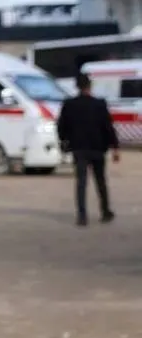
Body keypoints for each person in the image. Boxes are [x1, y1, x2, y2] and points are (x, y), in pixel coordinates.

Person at [56, 72, 118, 226]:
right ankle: (105, 212)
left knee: (81, 183)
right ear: (90, 86)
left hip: (79, 148)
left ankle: (82, 216)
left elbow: (61, 127)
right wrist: (115, 147)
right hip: (97, 148)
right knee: (100, 181)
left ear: (77, 86)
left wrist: (64, 141)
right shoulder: (99, 104)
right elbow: (108, 127)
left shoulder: (69, 104)